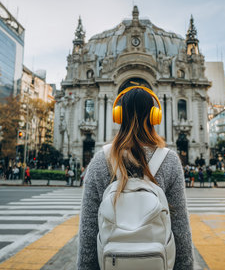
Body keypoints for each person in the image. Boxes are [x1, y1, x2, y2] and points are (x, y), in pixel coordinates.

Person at [77, 86, 193, 269]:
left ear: (118, 116)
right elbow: (180, 230)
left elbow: (88, 232)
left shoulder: (100, 161)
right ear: (155, 117)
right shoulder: (169, 160)